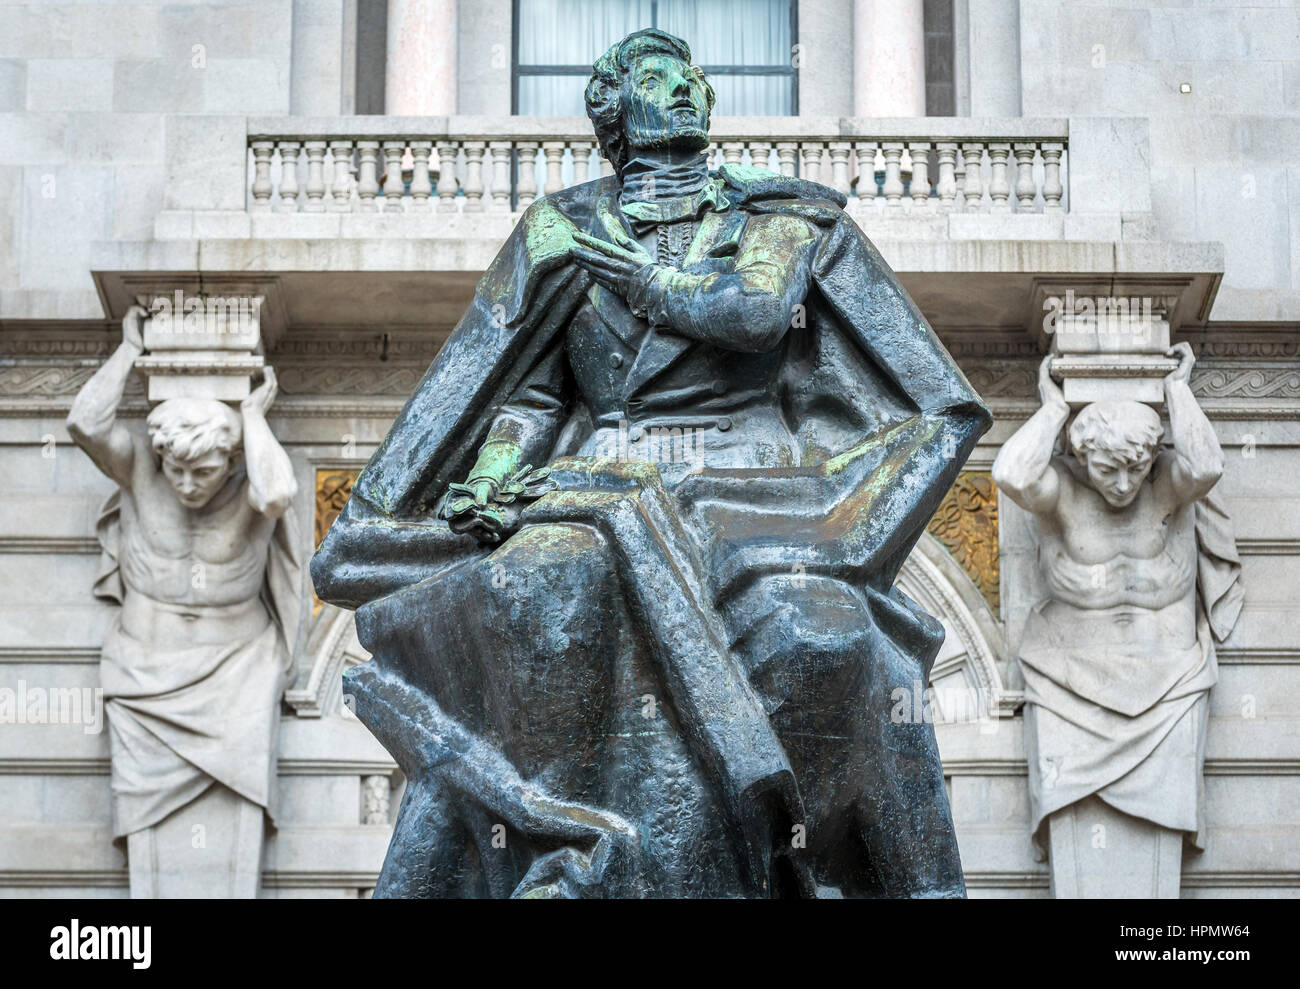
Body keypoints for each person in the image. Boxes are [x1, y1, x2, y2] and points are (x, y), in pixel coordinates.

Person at [313, 29, 991, 898]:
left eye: (695, 78)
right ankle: (554, 835)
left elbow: (757, 314)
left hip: (754, 489)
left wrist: (645, 280)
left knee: (819, 632)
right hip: (601, 474)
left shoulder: (781, 217)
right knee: (539, 582)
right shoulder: (561, 230)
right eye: (658, 76)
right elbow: (529, 392)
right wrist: (486, 479)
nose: (686, 89)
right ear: (614, 110)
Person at [67, 304, 304, 897]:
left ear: (229, 462)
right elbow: (85, 424)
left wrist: (251, 415)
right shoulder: (143, 470)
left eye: (202, 471)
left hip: (236, 675)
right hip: (143, 674)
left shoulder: (252, 484)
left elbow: (277, 492)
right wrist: (128, 353)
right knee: (145, 838)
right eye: (178, 470)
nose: (187, 484)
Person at [993, 344, 1243, 894]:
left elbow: (1206, 466)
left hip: (1169, 685)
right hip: (1067, 688)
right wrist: (1054, 409)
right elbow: (1010, 475)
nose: (1125, 484)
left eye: (1137, 467)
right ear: (1081, 459)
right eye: (1110, 469)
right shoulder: (1061, 495)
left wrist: (1177, 390)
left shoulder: (1165, 489)